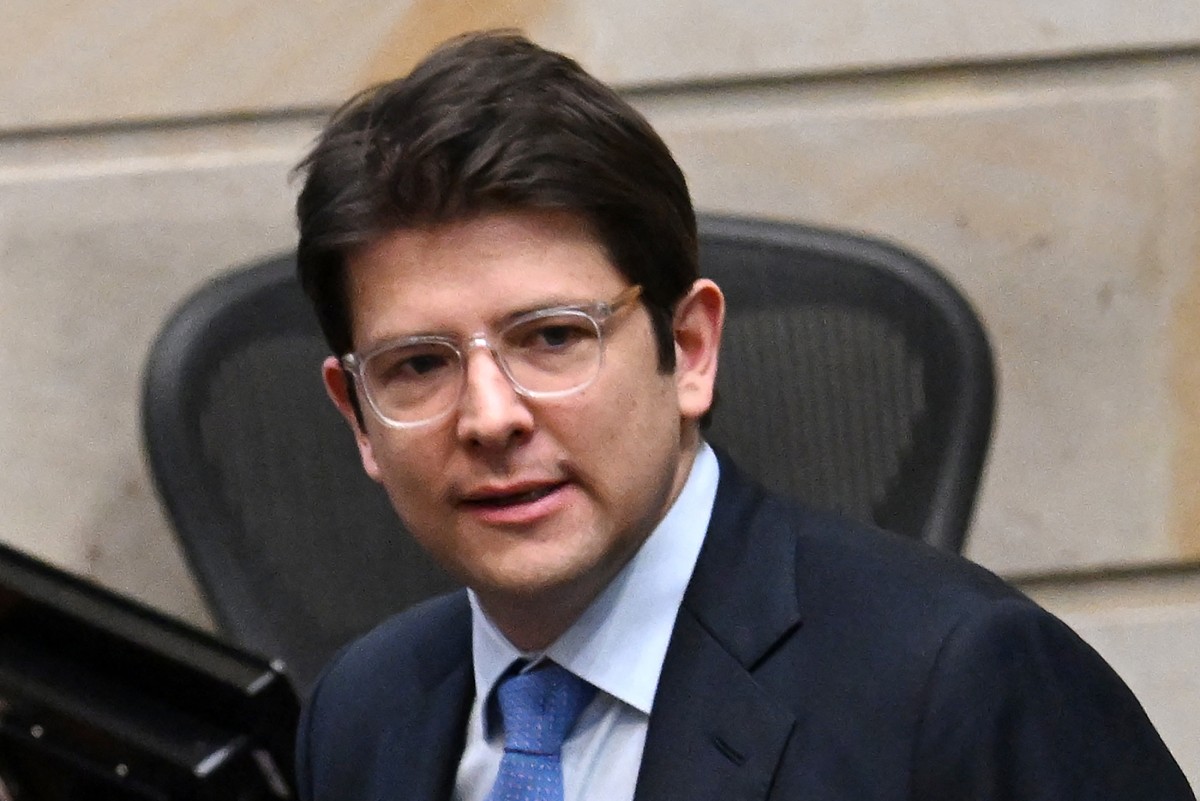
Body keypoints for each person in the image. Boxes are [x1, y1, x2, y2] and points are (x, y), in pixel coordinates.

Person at [291, 30, 1195, 801]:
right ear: (359, 416)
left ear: (689, 350)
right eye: (419, 365)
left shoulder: (959, 682)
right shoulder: (360, 714)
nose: (490, 417)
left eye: (554, 338)